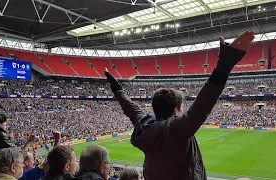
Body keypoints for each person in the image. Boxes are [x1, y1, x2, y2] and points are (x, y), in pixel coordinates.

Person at [104, 31, 255, 180]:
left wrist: (117, 88)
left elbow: (129, 107)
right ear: (176, 110)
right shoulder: (177, 130)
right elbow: (202, 105)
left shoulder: (144, 126)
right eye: (182, 108)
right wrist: (224, 65)